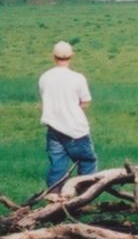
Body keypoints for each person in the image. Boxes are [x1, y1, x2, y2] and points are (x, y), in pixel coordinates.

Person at [39, 40, 97, 188]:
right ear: (71, 56)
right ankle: (83, 197)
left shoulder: (45, 77)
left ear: (54, 56)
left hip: (54, 128)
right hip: (76, 130)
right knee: (88, 162)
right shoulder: (78, 78)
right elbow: (85, 102)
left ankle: (54, 195)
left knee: (58, 165)